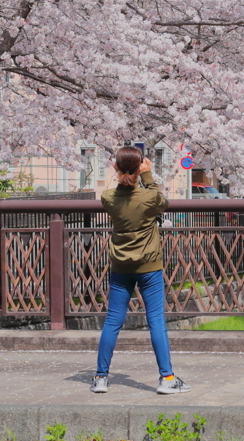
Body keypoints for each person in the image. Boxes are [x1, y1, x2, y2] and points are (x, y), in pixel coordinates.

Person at [91, 145, 190, 395]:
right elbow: (161, 201)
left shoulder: (108, 198)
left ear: (115, 167)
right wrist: (147, 176)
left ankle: (100, 378)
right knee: (155, 320)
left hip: (120, 267)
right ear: (140, 167)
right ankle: (167, 378)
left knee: (113, 321)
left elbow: (120, 194)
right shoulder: (149, 197)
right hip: (149, 267)